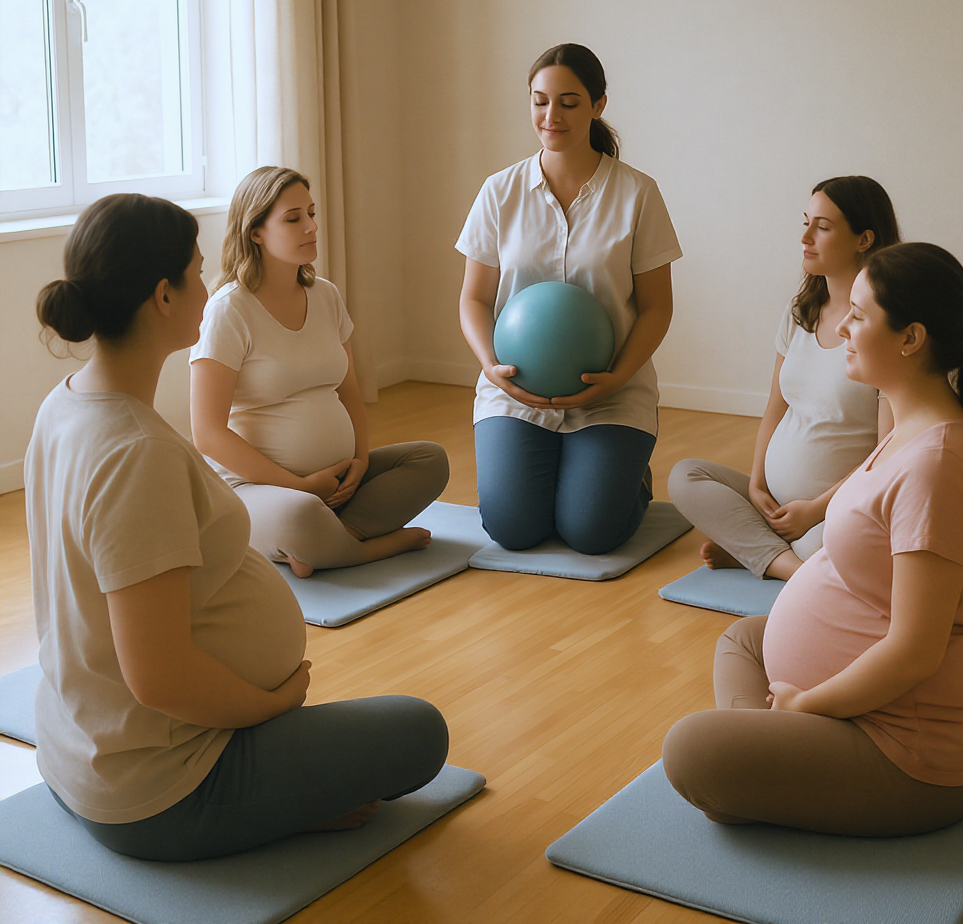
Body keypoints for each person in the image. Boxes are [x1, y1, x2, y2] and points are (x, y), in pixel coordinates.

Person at [28, 194, 448, 861]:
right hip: (161, 783)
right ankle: (272, 812)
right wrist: (271, 706)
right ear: (163, 297)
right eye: (196, 273)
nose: (208, 286)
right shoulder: (137, 452)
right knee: (421, 734)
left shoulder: (65, 404)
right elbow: (159, 679)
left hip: (83, 751)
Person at [662, 242, 963, 836]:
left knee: (688, 750)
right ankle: (770, 756)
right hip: (848, 702)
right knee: (744, 638)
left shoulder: (937, 464)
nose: (844, 329)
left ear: (910, 338)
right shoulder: (910, 422)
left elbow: (915, 651)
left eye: (859, 315)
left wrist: (808, 704)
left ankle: (767, 751)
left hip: (907, 750)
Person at [457, 43, 682, 555]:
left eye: (568, 102)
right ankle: (572, 467)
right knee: (512, 530)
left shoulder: (637, 193)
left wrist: (617, 378)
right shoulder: (499, 191)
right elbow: (473, 299)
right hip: (514, 394)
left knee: (591, 532)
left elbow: (656, 307)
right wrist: (490, 366)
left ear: (599, 105)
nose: (550, 116)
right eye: (539, 101)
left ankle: (627, 475)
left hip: (613, 392)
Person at [190, 167, 449, 578]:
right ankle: (366, 548)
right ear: (255, 231)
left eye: (311, 214)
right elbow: (207, 433)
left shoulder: (325, 295)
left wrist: (361, 461)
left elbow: (349, 391)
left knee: (429, 460)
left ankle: (325, 543)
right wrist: (301, 486)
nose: (311, 226)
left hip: (338, 483)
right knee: (301, 514)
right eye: (293, 218)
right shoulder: (229, 311)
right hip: (263, 490)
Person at [668, 177, 900, 580]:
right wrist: (757, 486)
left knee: (836, 543)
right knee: (685, 476)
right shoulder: (800, 312)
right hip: (774, 503)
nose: (805, 237)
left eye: (822, 227)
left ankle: (760, 551)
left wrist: (816, 509)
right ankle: (789, 564)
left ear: (864, 239)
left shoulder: (882, 327)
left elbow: (885, 454)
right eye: (806, 222)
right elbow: (775, 407)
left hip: (836, 509)